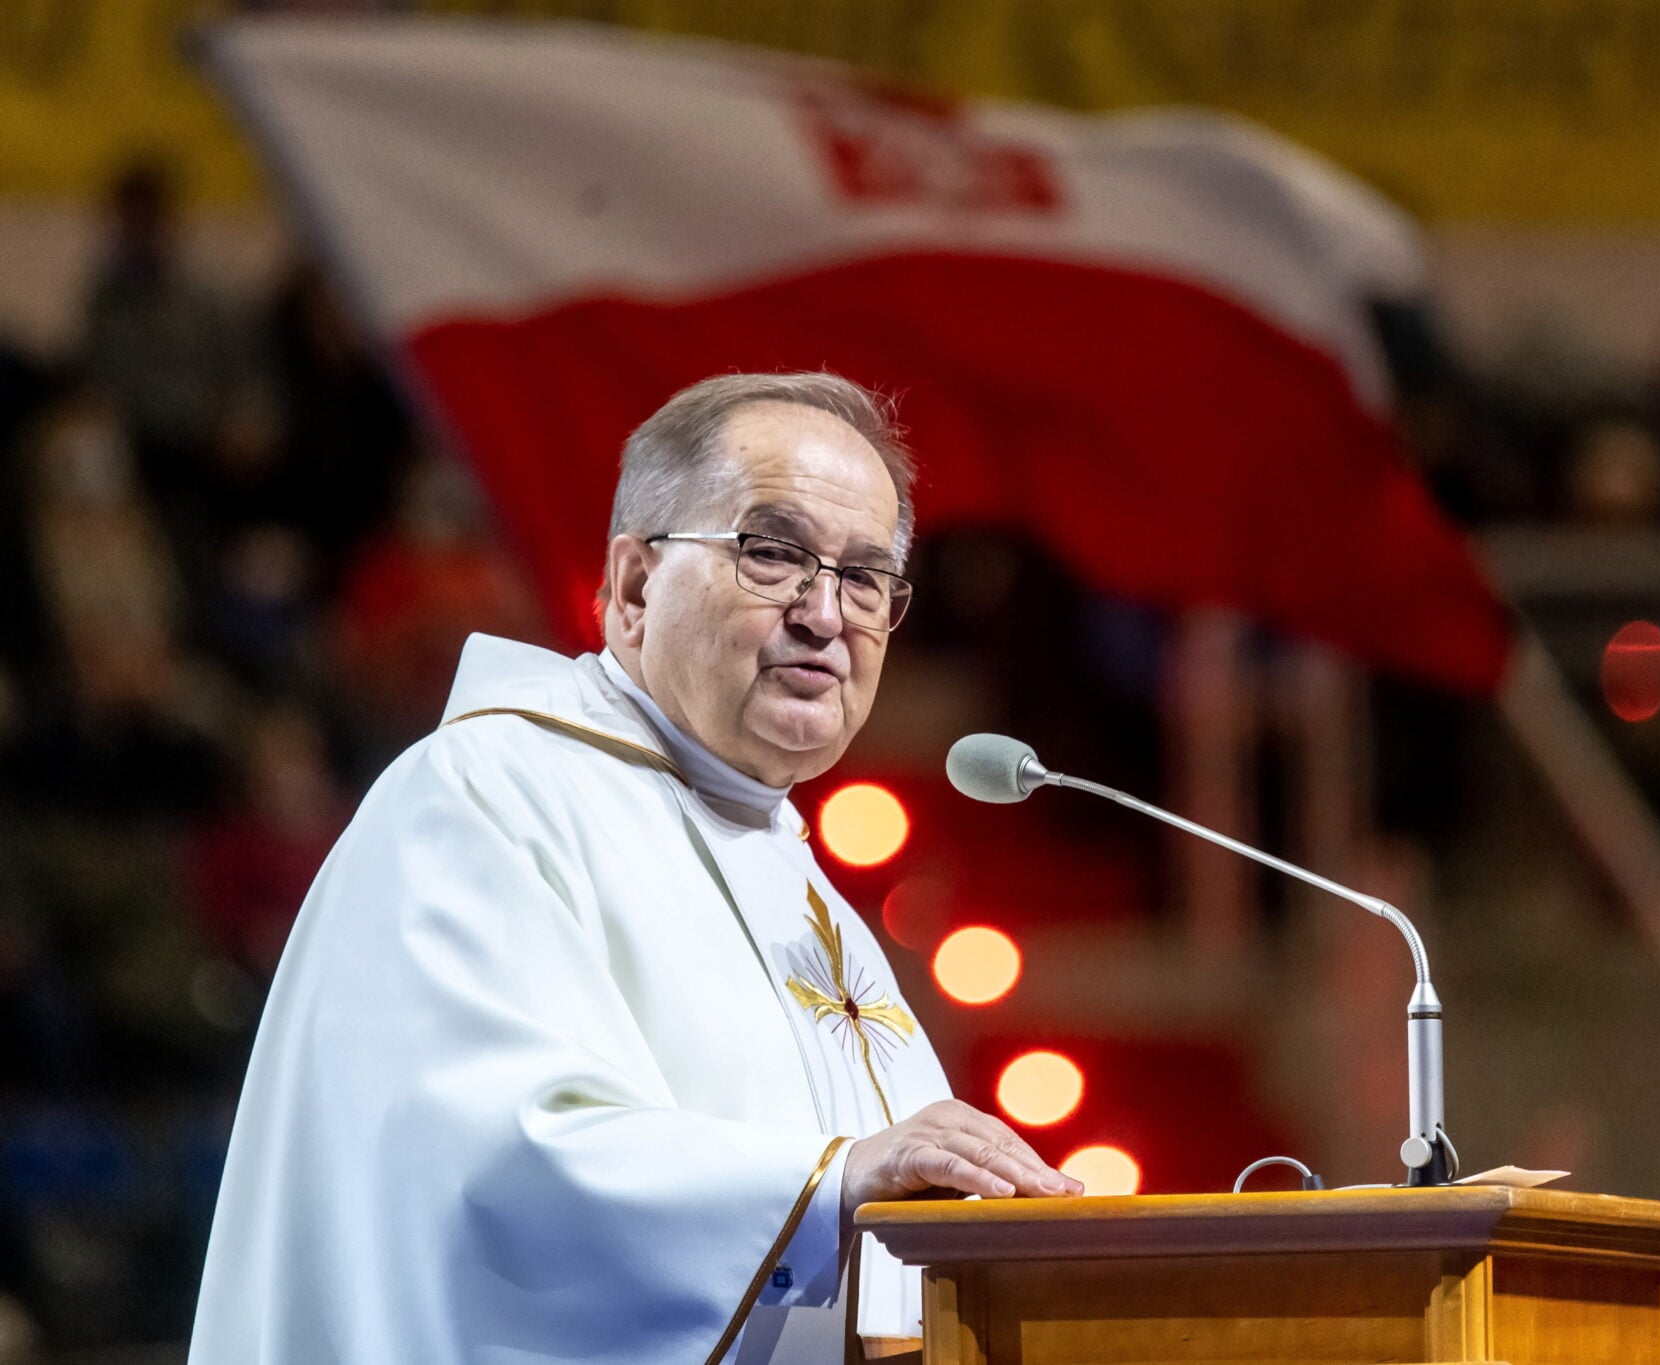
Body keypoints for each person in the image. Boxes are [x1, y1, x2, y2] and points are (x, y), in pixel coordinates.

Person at [189, 372, 1080, 1363]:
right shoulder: (484, 796)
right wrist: (830, 1186)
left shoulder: (796, 879)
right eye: (774, 554)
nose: (826, 614)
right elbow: (494, 1166)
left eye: (865, 577)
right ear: (633, 586)